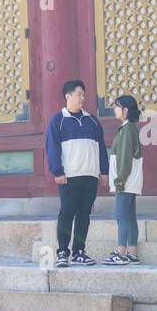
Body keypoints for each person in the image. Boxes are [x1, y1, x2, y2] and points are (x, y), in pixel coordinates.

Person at [45, 79, 108, 266]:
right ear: (68, 96)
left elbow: (101, 147)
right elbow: (52, 148)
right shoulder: (58, 120)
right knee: (67, 213)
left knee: (84, 215)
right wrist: (57, 171)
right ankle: (63, 252)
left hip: (90, 176)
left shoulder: (92, 121)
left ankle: (79, 251)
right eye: (79, 94)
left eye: (83, 94)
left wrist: (104, 171)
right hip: (68, 176)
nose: (83, 98)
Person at [103, 94, 144, 265]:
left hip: (125, 181)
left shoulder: (127, 129)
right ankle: (132, 253)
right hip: (131, 181)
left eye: (117, 106)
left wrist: (120, 180)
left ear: (125, 110)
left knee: (121, 216)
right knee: (129, 217)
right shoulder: (130, 128)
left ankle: (121, 252)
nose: (114, 109)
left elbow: (125, 158)